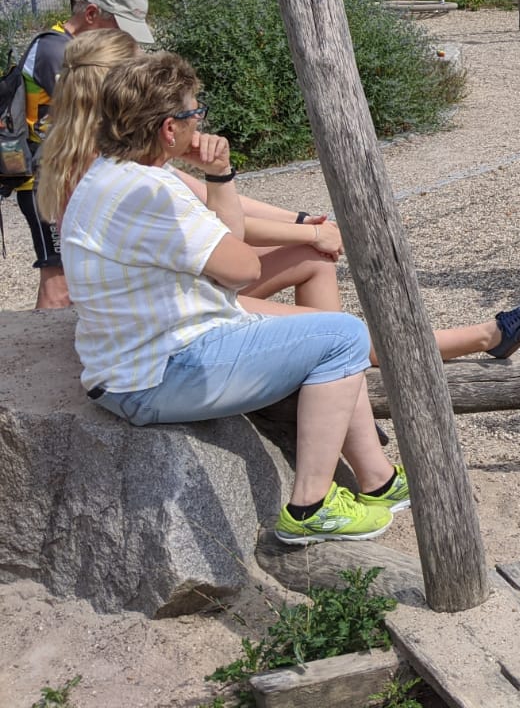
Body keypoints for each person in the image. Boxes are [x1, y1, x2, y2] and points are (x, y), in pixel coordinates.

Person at [34, 33, 520, 362]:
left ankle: (338, 383)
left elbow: (230, 215)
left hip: (170, 291)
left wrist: (306, 224)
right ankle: (484, 337)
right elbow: (233, 237)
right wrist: (307, 226)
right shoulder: (134, 173)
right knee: (337, 326)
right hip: (176, 311)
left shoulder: (99, 158)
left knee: (315, 261)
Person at [60, 51, 404, 544]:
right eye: (193, 112)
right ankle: (310, 506)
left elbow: (229, 258)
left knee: (325, 335)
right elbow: (241, 269)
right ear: (167, 129)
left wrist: (217, 177)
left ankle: (378, 481)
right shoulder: (152, 194)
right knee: (342, 337)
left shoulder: (110, 174)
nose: (200, 120)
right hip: (157, 375)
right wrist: (221, 176)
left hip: (139, 360)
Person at [13, 0, 154, 311]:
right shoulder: (57, 52)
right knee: (58, 280)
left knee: (70, 276)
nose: (122, 39)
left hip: (63, 172)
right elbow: (94, 113)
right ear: (92, 14)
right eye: (118, 28)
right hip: (45, 178)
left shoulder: (66, 47)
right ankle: (42, 359)